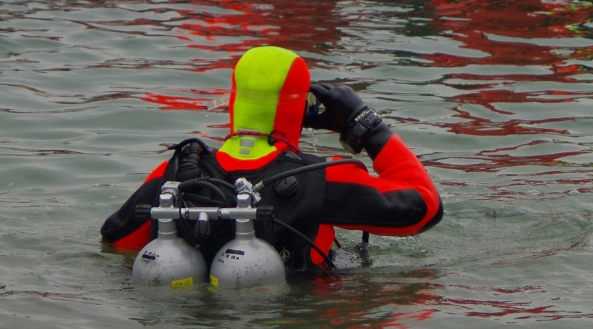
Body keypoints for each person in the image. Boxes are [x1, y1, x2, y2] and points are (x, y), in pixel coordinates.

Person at [101, 46, 443, 270]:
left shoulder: (174, 173)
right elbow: (425, 209)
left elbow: (116, 243)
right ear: (298, 108)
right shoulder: (325, 179)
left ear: (232, 101)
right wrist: (367, 127)